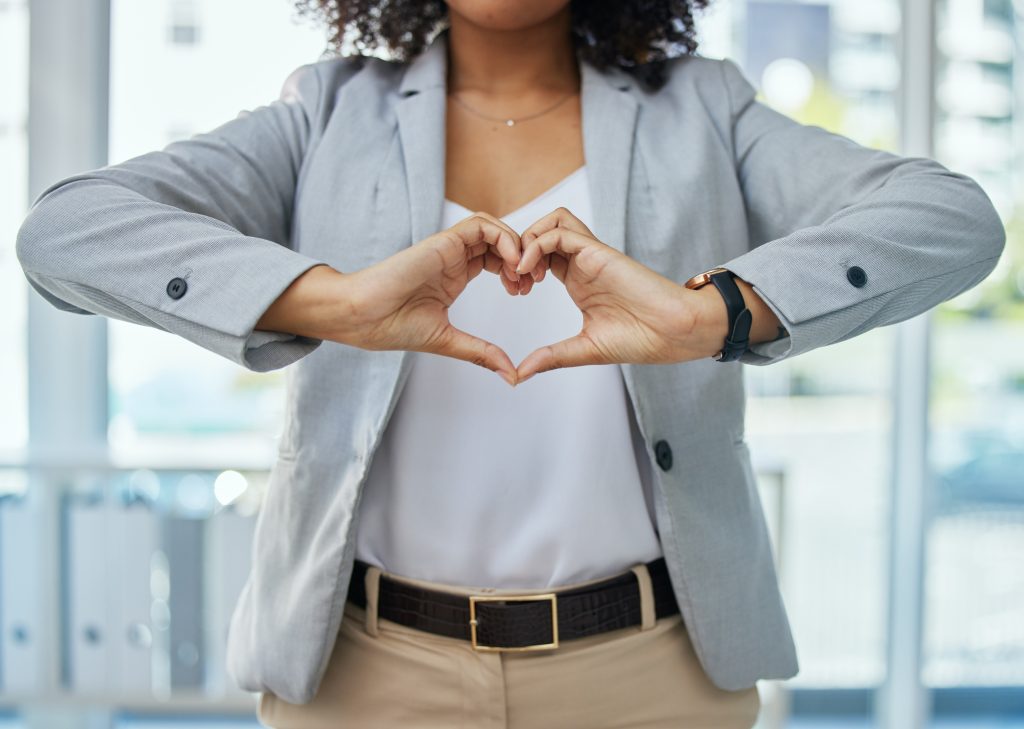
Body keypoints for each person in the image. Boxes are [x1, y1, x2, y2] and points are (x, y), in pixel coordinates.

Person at [15, 0, 1005, 727]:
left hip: (652, 677)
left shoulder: (704, 108)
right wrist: (338, 304)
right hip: (366, 679)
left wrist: (712, 316)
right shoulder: (326, 112)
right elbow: (66, 233)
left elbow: (951, 219)